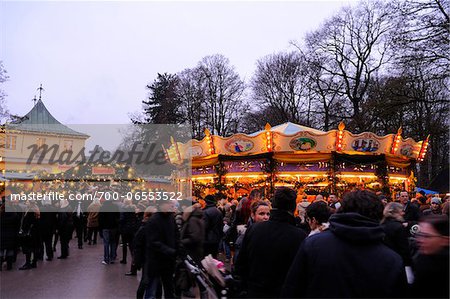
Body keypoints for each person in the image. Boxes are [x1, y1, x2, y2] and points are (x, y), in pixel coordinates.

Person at [282, 190, 407, 298]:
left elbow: (292, 289)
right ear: (380, 216)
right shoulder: (392, 260)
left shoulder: (313, 245)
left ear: (341, 210)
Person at [234, 187, 306, 298]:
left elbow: (241, 264)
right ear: (294, 207)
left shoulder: (254, 229)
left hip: (255, 291)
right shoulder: (299, 236)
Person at [143, 201, 178, 299]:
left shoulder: (171, 218)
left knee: (169, 288)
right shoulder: (153, 220)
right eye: (168, 203)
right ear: (161, 205)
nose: (170, 206)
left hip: (168, 261)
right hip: (156, 260)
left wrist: (178, 248)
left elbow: (176, 235)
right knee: (153, 289)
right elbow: (153, 242)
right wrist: (170, 250)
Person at [412, 215, 449, 298]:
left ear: (445, 240)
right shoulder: (421, 257)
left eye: (427, 236)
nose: (419, 240)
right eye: (420, 235)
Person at [380, 202, 413, 283]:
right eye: (401, 211)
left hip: (384, 263)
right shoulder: (398, 227)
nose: (403, 213)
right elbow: (404, 249)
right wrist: (408, 265)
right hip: (398, 263)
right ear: (395, 212)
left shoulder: (381, 225)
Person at [233, 201, 270, 266]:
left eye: (268, 214)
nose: (266, 217)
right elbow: (238, 263)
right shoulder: (245, 236)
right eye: (261, 214)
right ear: (253, 215)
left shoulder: (270, 234)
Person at [98, 199, 120, 264]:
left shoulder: (102, 207)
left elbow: (100, 219)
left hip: (105, 227)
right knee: (113, 242)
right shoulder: (115, 207)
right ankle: (112, 258)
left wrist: (100, 229)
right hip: (114, 227)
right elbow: (118, 216)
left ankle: (106, 259)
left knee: (106, 243)